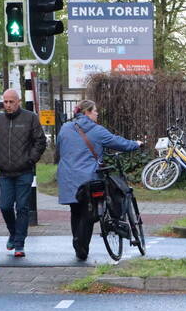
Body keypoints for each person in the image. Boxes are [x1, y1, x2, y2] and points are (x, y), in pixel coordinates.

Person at [56, 100, 141, 260]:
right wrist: (136, 144)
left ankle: (77, 242)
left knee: (75, 210)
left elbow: (60, 148)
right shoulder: (97, 130)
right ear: (87, 112)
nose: (97, 114)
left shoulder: (65, 128)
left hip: (67, 177)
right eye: (95, 111)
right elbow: (119, 143)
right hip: (89, 178)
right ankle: (81, 246)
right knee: (88, 212)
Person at [0, 88, 45, 258]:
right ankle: (13, 233)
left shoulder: (30, 118)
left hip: (24, 171)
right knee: (5, 206)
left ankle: (19, 243)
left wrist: (30, 160)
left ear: (18, 101)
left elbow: (40, 141)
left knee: (22, 207)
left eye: (11, 101)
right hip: (5, 172)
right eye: (5, 102)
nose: (8, 105)